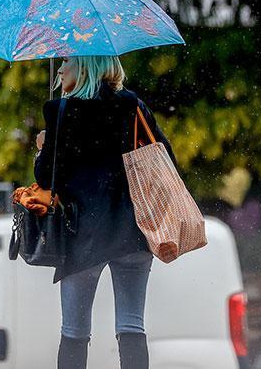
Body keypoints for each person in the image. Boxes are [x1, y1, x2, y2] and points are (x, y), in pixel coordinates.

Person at [34, 55, 176, 369]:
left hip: (83, 236)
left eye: (67, 61)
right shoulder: (132, 106)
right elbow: (166, 160)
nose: (60, 68)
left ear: (86, 67)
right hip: (134, 231)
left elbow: (47, 180)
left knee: (74, 332)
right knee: (131, 327)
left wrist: (43, 149)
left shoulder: (60, 111)